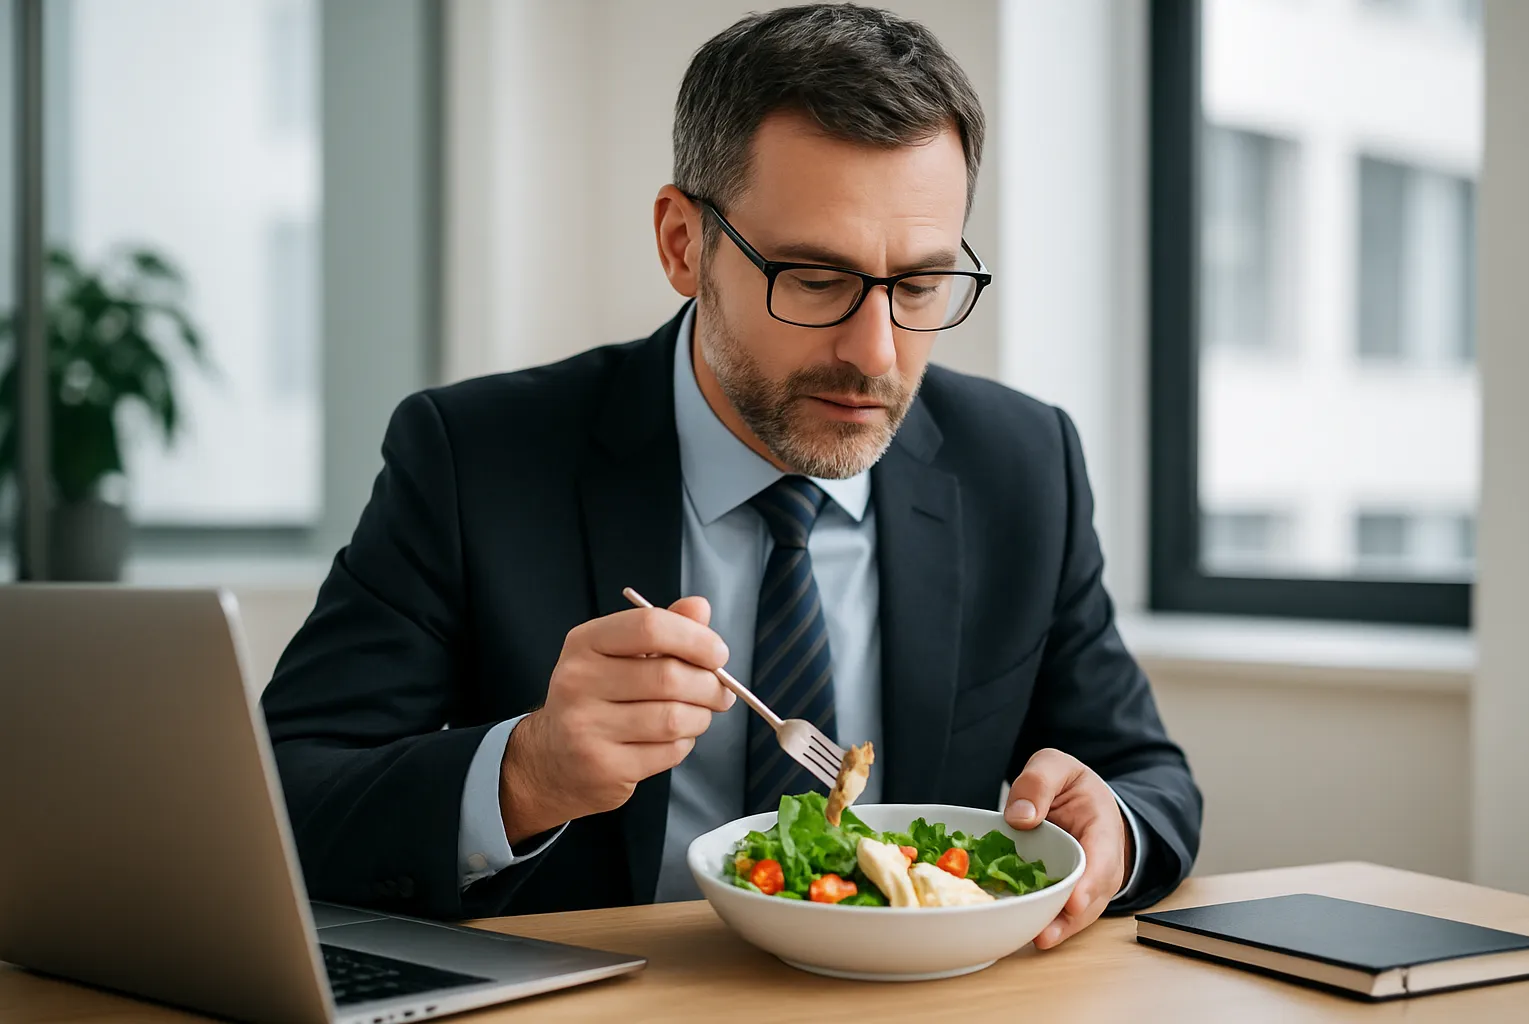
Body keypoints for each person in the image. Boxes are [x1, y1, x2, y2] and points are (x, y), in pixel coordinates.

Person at [262, 3, 1201, 951]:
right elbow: (283, 797)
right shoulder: (474, 457)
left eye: (918, 285)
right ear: (683, 244)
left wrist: (1109, 825)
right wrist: (524, 775)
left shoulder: (1022, 463)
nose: (874, 353)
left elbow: (1145, 779)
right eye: (813, 277)